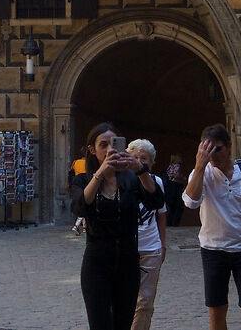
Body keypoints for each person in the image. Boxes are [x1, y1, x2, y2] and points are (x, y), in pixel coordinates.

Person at [74, 122, 168, 330]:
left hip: (127, 264)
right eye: (103, 145)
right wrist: (100, 173)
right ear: (92, 149)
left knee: (123, 324)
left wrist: (141, 170)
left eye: (113, 145)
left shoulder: (132, 180)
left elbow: (156, 202)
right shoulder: (83, 180)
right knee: (100, 324)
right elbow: (81, 207)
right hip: (96, 265)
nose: (109, 150)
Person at [184, 122, 241, 330]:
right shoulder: (202, 173)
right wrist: (199, 166)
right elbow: (191, 202)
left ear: (229, 146)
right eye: (207, 149)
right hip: (213, 249)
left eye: (217, 149)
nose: (213, 155)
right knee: (217, 311)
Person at [129, 139, 169, 330]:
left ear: (151, 162)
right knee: (124, 298)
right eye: (134, 157)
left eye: (143, 158)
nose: (139, 161)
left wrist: (162, 244)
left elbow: (161, 215)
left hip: (150, 247)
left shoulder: (157, 182)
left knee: (144, 301)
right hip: (126, 248)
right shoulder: (121, 181)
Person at [163, 160, 187, 227]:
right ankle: (174, 224)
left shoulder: (170, 166)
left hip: (172, 187)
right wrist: (183, 178)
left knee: (173, 207)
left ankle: (170, 223)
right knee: (178, 207)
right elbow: (175, 176)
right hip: (175, 186)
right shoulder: (176, 166)